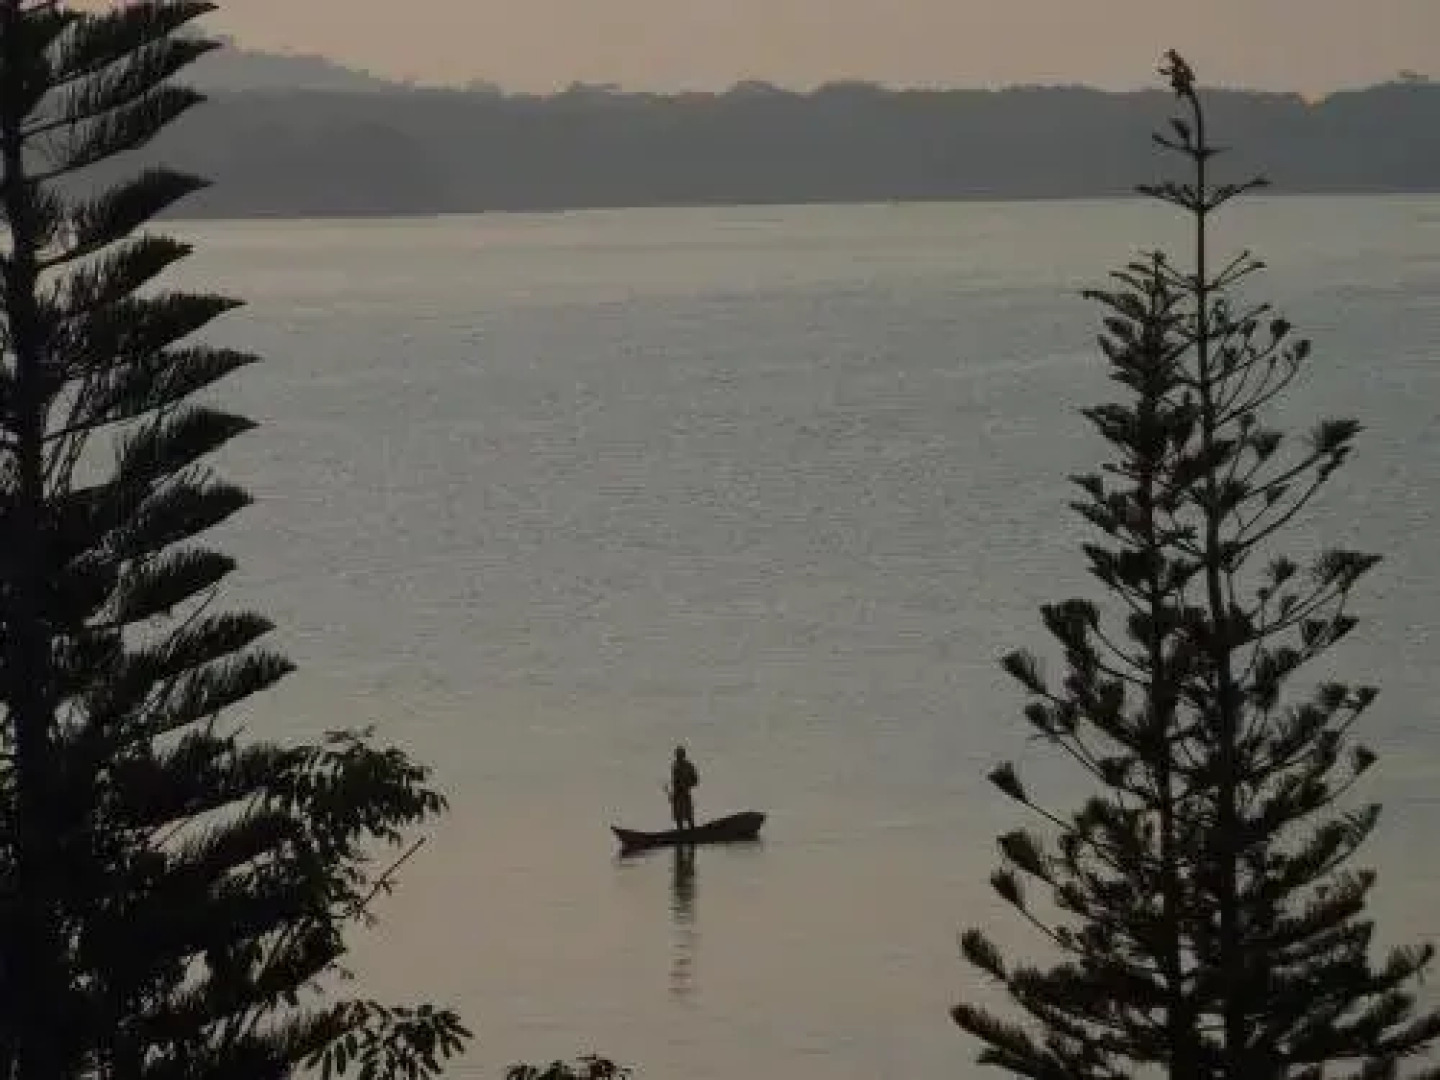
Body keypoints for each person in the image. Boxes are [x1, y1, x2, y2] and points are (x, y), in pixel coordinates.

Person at [669, 746, 699, 832]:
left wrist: (686, 784)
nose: (678, 757)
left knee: (689, 816)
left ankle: (691, 834)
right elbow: (675, 781)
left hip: (685, 794)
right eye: (677, 755)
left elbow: (695, 780)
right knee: (679, 818)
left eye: (680, 755)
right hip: (677, 794)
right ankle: (681, 835)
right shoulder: (675, 766)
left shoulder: (689, 766)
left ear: (683, 755)